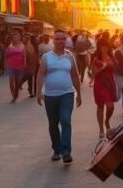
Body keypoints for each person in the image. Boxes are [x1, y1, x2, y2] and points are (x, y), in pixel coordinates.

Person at [36, 29, 82, 164]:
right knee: (53, 123)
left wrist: (78, 93)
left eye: (63, 38)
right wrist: (38, 92)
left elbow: (75, 75)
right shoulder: (47, 57)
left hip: (67, 94)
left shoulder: (70, 57)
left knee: (66, 120)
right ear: (53, 40)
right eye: (57, 39)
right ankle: (57, 149)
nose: (60, 41)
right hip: (50, 96)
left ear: (66, 40)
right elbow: (41, 74)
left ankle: (66, 151)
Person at [91, 37, 118, 138]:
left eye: (106, 46)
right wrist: (102, 67)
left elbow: (115, 69)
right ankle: (101, 129)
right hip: (100, 83)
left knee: (110, 106)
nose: (104, 48)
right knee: (100, 106)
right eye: (102, 46)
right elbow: (94, 73)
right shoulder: (96, 58)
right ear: (99, 47)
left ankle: (107, 121)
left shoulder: (112, 56)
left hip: (110, 83)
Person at [4, 32, 27, 102]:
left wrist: (24, 64)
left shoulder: (22, 46)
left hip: (20, 66)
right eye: (13, 38)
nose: (15, 39)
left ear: (19, 38)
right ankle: (13, 96)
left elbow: (24, 56)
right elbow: (6, 56)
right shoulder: (9, 47)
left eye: (16, 38)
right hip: (10, 65)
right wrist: (5, 64)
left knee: (18, 82)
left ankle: (16, 94)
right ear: (12, 39)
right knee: (11, 82)